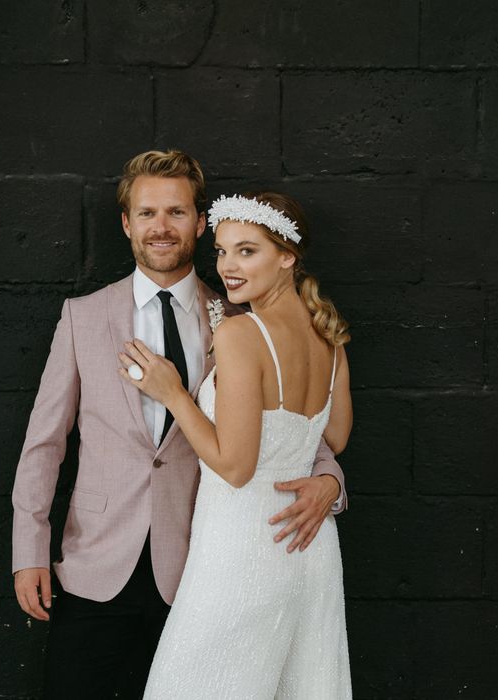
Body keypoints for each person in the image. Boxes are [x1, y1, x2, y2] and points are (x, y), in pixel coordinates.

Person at [11, 151, 348, 700]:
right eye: (146, 213)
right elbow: (44, 445)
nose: (161, 227)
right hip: (94, 566)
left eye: (176, 212)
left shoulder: (240, 318)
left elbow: (294, 430)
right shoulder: (83, 316)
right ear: (127, 224)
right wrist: (29, 550)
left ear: (199, 222)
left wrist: (331, 484)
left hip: (199, 569)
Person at [120, 191, 353, 698]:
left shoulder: (242, 334)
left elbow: (235, 466)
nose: (227, 266)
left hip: (242, 548)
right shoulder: (326, 335)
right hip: (308, 552)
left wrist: (174, 394)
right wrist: (323, 477)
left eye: (247, 251)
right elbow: (333, 436)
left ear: (287, 256)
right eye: (222, 251)